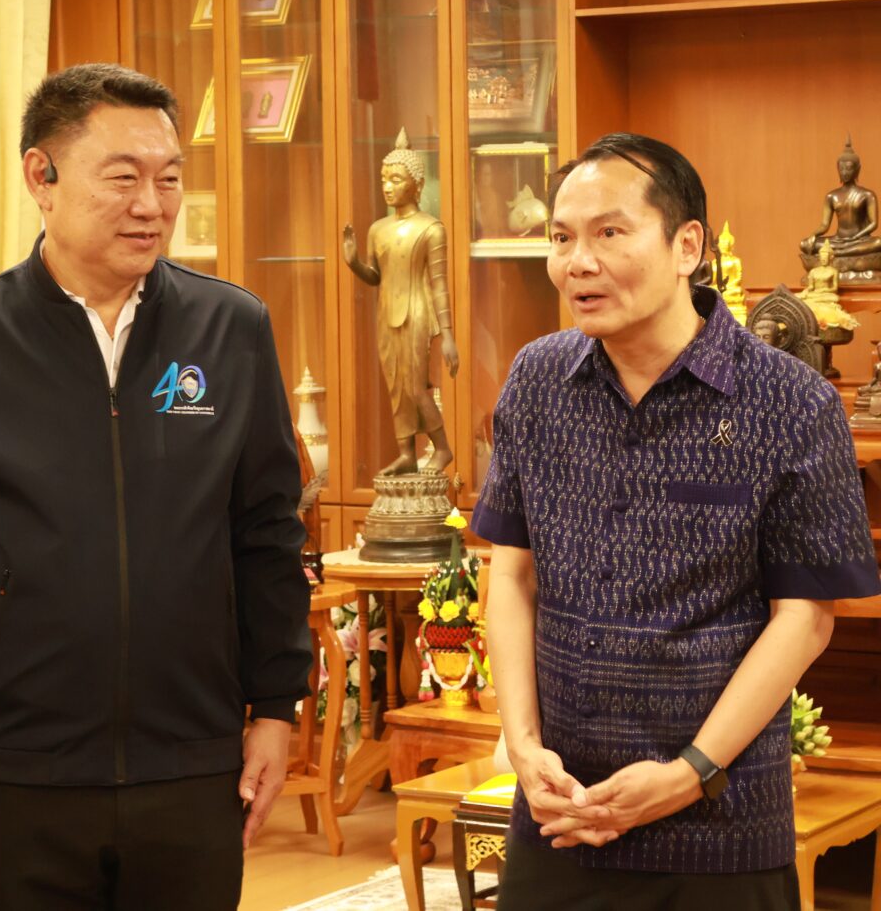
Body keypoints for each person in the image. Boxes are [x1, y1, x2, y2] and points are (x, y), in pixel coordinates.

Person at [0, 63, 312, 910]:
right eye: (123, 178)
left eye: (169, 179)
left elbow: (267, 535)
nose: (153, 205)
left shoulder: (232, 327)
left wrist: (277, 708)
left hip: (193, 765)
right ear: (42, 177)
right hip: (17, 773)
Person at [472, 132, 880, 910]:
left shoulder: (791, 403)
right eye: (561, 238)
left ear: (687, 245)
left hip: (721, 831)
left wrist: (691, 772)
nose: (577, 262)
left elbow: (806, 618)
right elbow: (512, 577)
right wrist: (522, 747)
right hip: (561, 818)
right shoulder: (536, 380)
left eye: (609, 233)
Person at [342, 129, 459, 476]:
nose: (388, 186)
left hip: (418, 312)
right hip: (386, 314)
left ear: (417, 184)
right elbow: (375, 277)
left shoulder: (431, 229)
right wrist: (353, 263)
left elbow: (440, 284)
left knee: (416, 387)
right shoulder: (377, 229)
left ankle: (443, 448)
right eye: (384, 179)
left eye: (396, 179)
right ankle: (406, 452)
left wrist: (448, 335)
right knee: (396, 388)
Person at [800, 136, 881, 262]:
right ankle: (843, 252)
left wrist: (855, 237)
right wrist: (813, 235)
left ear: (858, 169)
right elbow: (824, 225)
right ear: (837, 169)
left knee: (879, 242)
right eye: (841, 169)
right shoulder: (831, 196)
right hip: (838, 240)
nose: (844, 172)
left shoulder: (867, 195)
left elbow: (874, 224)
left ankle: (836, 253)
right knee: (804, 244)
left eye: (848, 168)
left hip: (859, 240)